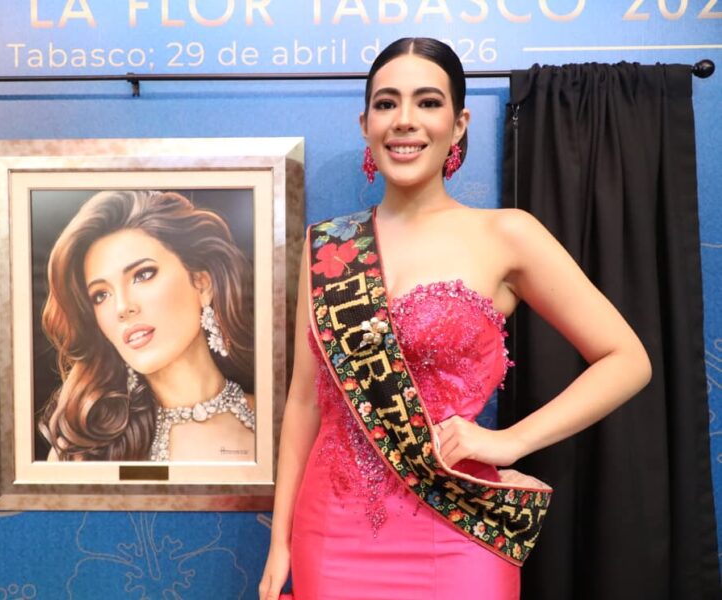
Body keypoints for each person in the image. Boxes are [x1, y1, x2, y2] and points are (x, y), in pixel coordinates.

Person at [259, 38, 651, 600]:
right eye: (387, 103)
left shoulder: (507, 234)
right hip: (332, 531)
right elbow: (304, 401)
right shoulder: (327, 246)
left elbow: (627, 360)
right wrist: (280, 543)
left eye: (428, 102)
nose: (405, 120)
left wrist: (510, 442)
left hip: (457, 525)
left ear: (459, 123)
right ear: (366, 124)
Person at [39, 190, 256, 462]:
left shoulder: (274, 423)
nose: (122, 307)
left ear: (202, 283)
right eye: (101, 295)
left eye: (143, 275)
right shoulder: (82, 452)